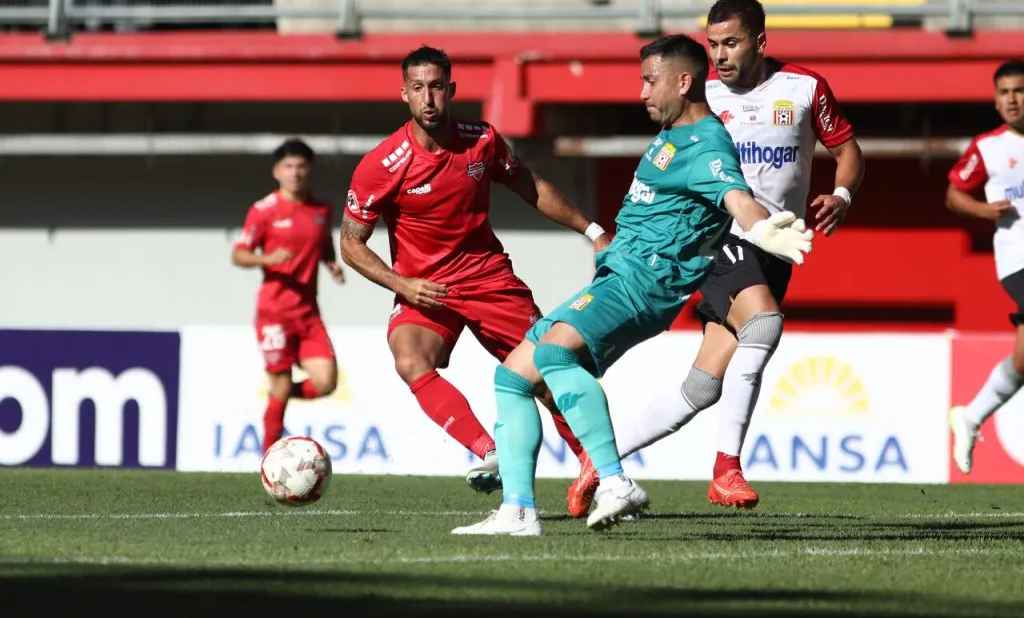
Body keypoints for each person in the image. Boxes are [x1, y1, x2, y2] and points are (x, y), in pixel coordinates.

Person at [451, 33, 814, 536]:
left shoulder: (706, 140)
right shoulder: (671, 135)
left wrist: (761, 226)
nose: (642, 92)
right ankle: (517, 511)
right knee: (512, 377)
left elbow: (736, 196)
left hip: (642, 283)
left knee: (555, 356)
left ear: (684, 81)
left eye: (650, 81)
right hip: (619, 273)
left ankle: (615, 480)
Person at [566, 0, 865, 517]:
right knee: (766, 323)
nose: (720, 55)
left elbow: (847, 150)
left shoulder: (804, 88)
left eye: (731, 43)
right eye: (713, 45)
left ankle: (599, 460)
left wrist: (841, 196)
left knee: (702, 387)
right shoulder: (698, 97)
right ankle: (726, 468)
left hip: (776, 246)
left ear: (760, 42)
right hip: (718, 238)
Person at [340, 46, 606, 493]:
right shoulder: (381, 165)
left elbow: (529, 186)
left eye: (437, 88)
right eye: (419, 89)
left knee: (542, 375)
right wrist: (402, 283)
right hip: (428, 288)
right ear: (403, 93)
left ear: (452, 90)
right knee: (410, 359)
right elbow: (350, 242)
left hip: (488, 279)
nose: (429, 99)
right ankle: (489, 452)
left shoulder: (482, 140)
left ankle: (594, 464)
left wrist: (593, 230)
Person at [232, 138, 346, 455]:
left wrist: (331, 262)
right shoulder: (263, 211)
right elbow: (239, 254)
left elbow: (323, 242)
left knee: (326, 382)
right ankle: (268, 457)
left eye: (300, 166)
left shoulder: (322, 209)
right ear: (276, 171)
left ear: (309, 170)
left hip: (308, 313)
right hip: (274, 313)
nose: (295, 173)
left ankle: (275, 397)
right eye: (288, 167)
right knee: (282, 382)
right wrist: (264, 259)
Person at [947, 59, 1024, 475]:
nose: (1012, 99)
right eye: (1005, 93)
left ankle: (971, 416)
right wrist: (982, 208)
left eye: (1019, 91)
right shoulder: (988, 148)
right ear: (996, 102)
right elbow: (954, 193)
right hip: (1017, 260)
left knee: (1023, 360)